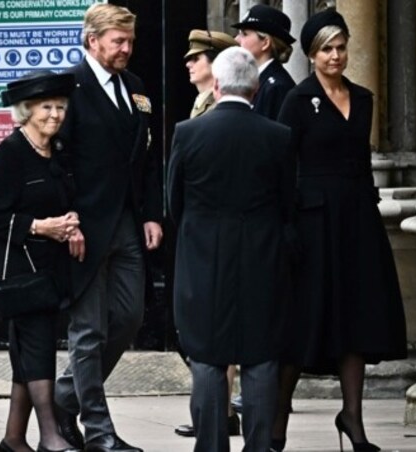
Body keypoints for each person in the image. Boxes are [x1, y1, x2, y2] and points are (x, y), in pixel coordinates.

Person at [271, 10, 407, 452]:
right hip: (312, 223)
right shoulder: (298, 100)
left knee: (358, 318)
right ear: (311, 54)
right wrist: (288, 225)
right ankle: (276, 423)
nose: (336, 56)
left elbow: (363, 166)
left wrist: (369, 212)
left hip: (357, 221)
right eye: (327, 48)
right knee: (306, 320)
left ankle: (353, 419)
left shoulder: (364, 98)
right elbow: (283, 167)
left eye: (341, 47)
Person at [168, 46, 293, 452]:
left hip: (203, 260)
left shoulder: (188, 133)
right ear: (255, 88)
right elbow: (287, 204)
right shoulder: (278, 137)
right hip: (262, 260)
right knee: (260, 357)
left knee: (207, 356)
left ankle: (210, 446)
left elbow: (174, 203)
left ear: (217, 85)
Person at [52, 4, 163, 452]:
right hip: (84, 226)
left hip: (127, 223)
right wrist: (67, 221)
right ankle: (98, 431)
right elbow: (57, 162)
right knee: (89, 329)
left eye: (130, 41)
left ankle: (63, 397)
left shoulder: (135, 88)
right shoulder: (69, 88)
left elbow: (148, 159)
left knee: (129, 317)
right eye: (118, 40)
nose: (126, 49)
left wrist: (153, 213)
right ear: (93, 41)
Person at [0, 70, 81, 452]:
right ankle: (50, 434)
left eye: (60, 107)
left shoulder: (59, 151)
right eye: (45, 108)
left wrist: (72, 221)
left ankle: (13, 438)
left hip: (51, 267)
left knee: (28, 348)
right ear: (25, 111)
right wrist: (39, 226)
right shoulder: (12, 152)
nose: (54, 115)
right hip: (16, 269)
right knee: (36, 344)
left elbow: (69, 197)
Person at [174, 29, 241, 441]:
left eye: (197, 58)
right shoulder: (200, 104)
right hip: (201, 232)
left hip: (220, 232)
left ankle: (223, 411)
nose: (188, 63)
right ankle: (214, 411)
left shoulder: (216, 105)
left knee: (219, 334)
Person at [232, 4, 296, 120]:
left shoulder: (277, 87)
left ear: (265, 43)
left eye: (245, 34)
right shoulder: (259, 80)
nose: (237, 39)